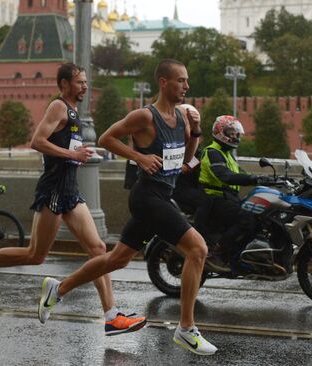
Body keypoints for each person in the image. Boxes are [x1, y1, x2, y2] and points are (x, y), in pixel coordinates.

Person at [0, 62, 146, 336]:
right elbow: (37, 141)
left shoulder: (73, 112)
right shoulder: (58, 106)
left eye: (86, 82)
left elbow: (61, 144)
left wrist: (78, 151)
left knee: (98, 249)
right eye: (79, 82)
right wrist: (72, 155)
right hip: (54, 190)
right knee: (35, 255)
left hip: (70, 191)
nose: (85, 86)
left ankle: (111, 316)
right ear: (64, 84)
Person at [36, 59, 217, 356]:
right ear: (163, 82)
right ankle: (186, 329)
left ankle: (58, 289)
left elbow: (185, 160)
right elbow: (107, 138)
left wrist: (195, 132)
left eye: (187, 81)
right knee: (198, 250)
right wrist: (138, 157)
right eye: (181, 81)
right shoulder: (145, 116)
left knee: (116, 259)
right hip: (147, 197)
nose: (187, 86)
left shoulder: (183, 118)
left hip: (162, 194)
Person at [198, 115, 273, 270]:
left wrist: (268, 178)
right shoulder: (213, 152)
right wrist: (254, 179)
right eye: (231, 133)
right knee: (246, 219)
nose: (235, 136)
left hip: (229, 198)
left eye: (236, 133)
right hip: (214, 199)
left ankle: (245, 254)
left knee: (260, 215)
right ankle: (218, 252)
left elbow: (240, 173)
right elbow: (226, 176)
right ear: (220, 132)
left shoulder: (227, 154)